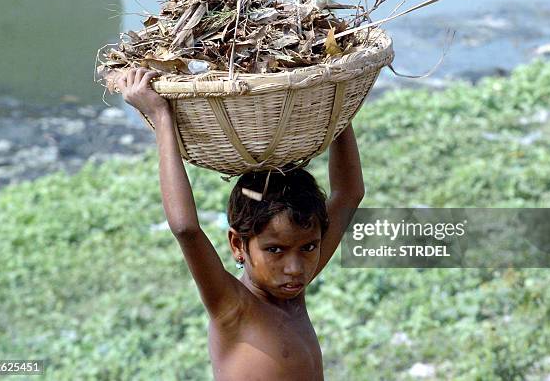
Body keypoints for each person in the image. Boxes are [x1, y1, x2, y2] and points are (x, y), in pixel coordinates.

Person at [116, 68, 365, 381]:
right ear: (237, 245)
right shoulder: (233, 307)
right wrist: (161, 116)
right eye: (275, 249)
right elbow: (186, 229)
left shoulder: (291, 290)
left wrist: (337, 101)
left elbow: (349, 194)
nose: (295, 267)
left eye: (309, 247)